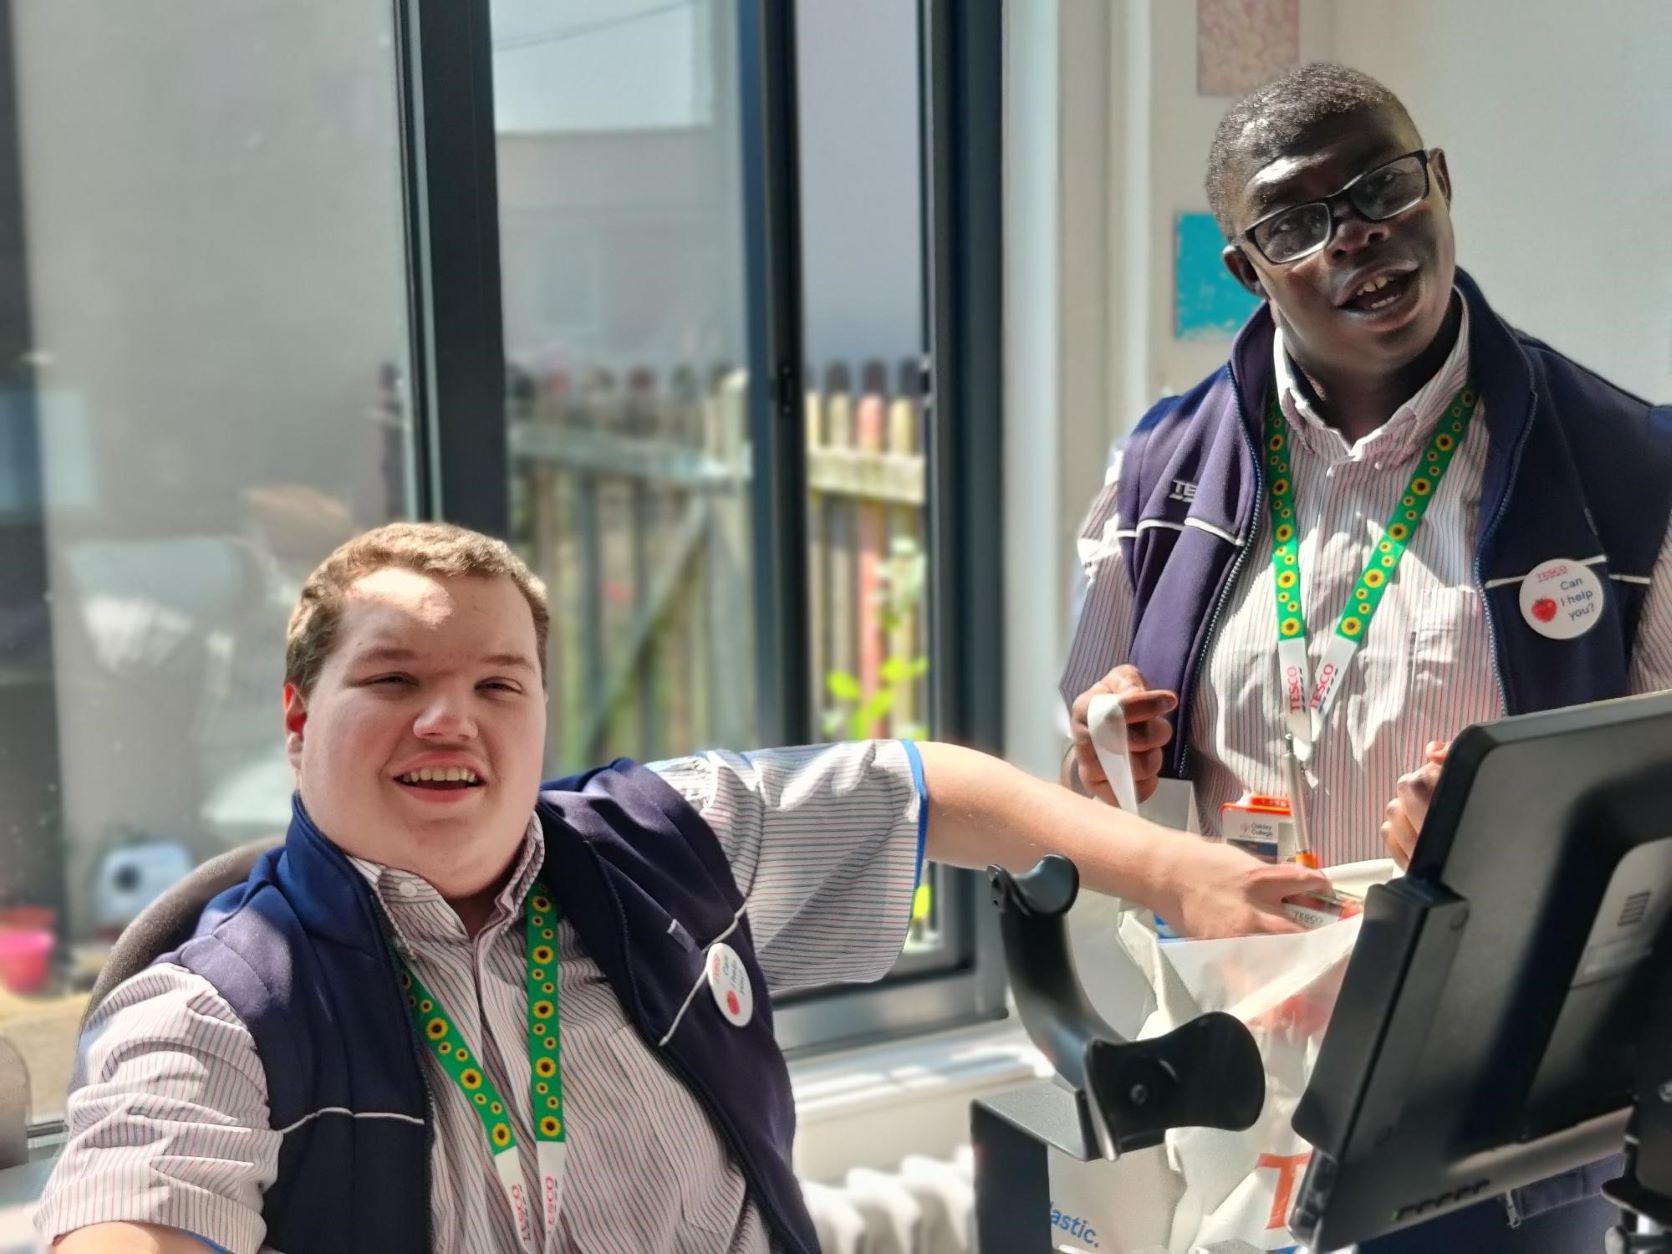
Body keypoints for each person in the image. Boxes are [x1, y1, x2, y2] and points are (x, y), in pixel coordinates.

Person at [36, 521, 1325, 1254]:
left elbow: (925, 787)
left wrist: (1182, 868)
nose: (451, 722)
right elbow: (134, 1206)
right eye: (393, 682)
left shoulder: (663, 844)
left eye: (497, 685)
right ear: (294, 717)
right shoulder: (210, 1012)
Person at [1060, 62, 1671, 1251]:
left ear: (1437, 182)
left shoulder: (1631, 473)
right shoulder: (1158, 476)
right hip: (1248, 1075)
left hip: (1498, 1100)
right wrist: (1104, 748)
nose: (1357, 238)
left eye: (1383, 187)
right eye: (1296, 222)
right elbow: (1094, 765)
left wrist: (1512, 829)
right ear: (1246, 268)